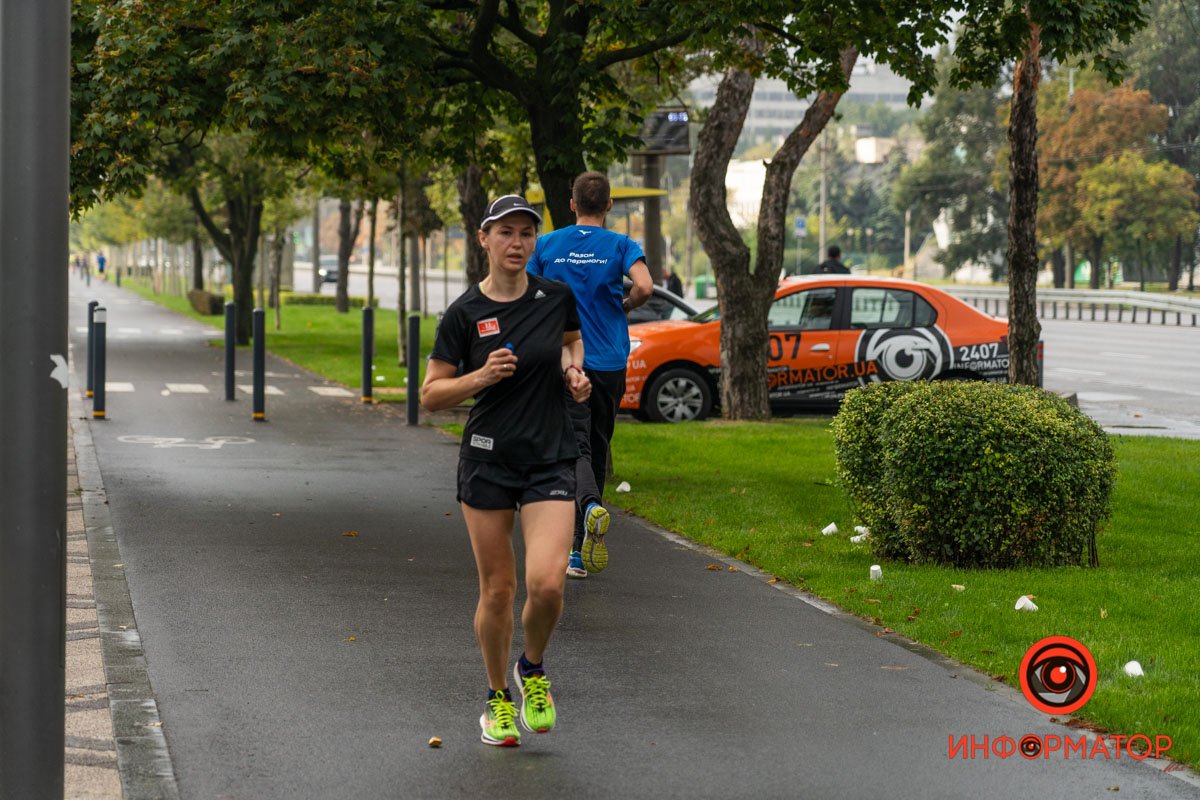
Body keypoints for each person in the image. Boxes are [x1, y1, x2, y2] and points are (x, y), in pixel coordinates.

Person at [422, 194, 592, 748]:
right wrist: (481, 376)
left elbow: (570, 342)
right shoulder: (464, 313)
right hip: (488, 460)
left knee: (547, 584)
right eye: (506, 232)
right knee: (498, 590)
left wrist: (574, 373)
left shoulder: (555, 297)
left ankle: (531, 669)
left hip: (549, 456)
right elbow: (430, 395)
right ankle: (496, 698)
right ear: (484, 239)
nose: (517, 243)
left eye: (526, 233)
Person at [527, 172, 653, 578]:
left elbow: (527, 291)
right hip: (610, 360)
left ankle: (582, 526)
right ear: (609, 205)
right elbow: (645, 287)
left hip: (566, 360)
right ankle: (581, 546)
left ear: (572, 204)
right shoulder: (621, 244)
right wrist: (626, 305)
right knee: (597, 446)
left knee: (572, 447)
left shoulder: (547, 244)